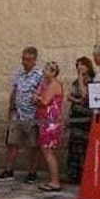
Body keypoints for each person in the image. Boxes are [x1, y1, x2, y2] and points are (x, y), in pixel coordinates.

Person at [0, 46, 43, 181]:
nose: (25, 62)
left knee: (33, 145)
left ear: (34, 60)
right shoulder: (19, 73)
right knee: (12, 143)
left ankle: (32, 172)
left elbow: (43, 93)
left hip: (32, 116)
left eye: (28, 59)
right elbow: (14, 91)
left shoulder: (40, 75)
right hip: (17, 115)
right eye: (23, 59)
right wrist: (10, 109)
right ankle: (8, 170)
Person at [34, 62, 65, 192]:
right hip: (44, 121)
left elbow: (44, 101)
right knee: (46, 151)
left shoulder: (54, 85)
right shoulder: (44, 84)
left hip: (50, 122)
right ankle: (53, 179)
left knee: (48, 152)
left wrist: (37, 98)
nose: (44, 71)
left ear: (53, 72)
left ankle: (55, 181)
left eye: (47, 69)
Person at [64, 57, 96, 184]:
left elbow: (85, 97)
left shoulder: (92, 81)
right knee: (74, 145)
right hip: (76, 117)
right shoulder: (75, 82)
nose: (79, 67)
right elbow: (69, 96)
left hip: (86, 118)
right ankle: (74, 174)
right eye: (77, 65)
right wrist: (76, 100)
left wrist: (82, 80)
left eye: (82, 64)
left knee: (84, 146)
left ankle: (85, 175)